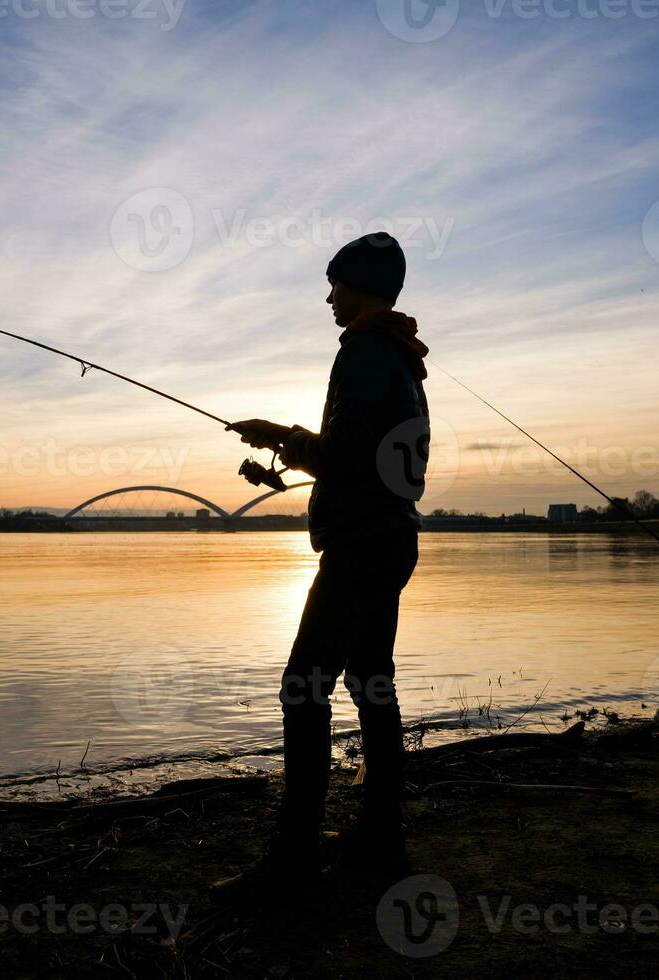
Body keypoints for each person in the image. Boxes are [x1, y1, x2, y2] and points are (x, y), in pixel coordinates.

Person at [220, 231, 430, 901]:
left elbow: (344, 457)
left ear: (363, 286)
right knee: (372, 684)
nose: (329, 297)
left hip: (362, 544)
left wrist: (282, 438)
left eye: (337, 284)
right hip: (390, 538)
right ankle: (378, 841)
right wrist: (285, 438)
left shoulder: (366, 350)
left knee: (303, 688)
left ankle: (293, 859)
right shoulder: (401, 355)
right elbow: (365, 452)